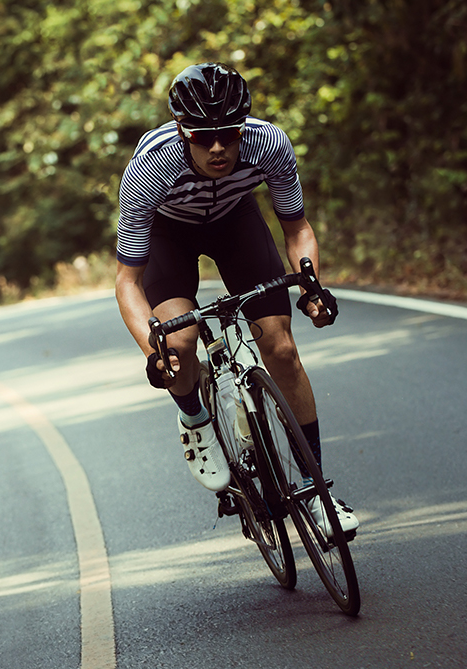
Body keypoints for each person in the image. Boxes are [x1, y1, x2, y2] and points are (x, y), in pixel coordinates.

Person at [113, 62, 357, 536]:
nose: (220, 147)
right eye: (204, 137)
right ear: (183, 130)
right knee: (180, 346)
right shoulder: (151, 165)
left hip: (235, 222)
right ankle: (196, 419)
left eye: (229, 133)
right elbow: (127, 281)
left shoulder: (268, 144)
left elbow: (298, 229)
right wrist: (154, 349)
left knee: (282, 348)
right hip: (170, 235)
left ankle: (315, 492)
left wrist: (310, 287)